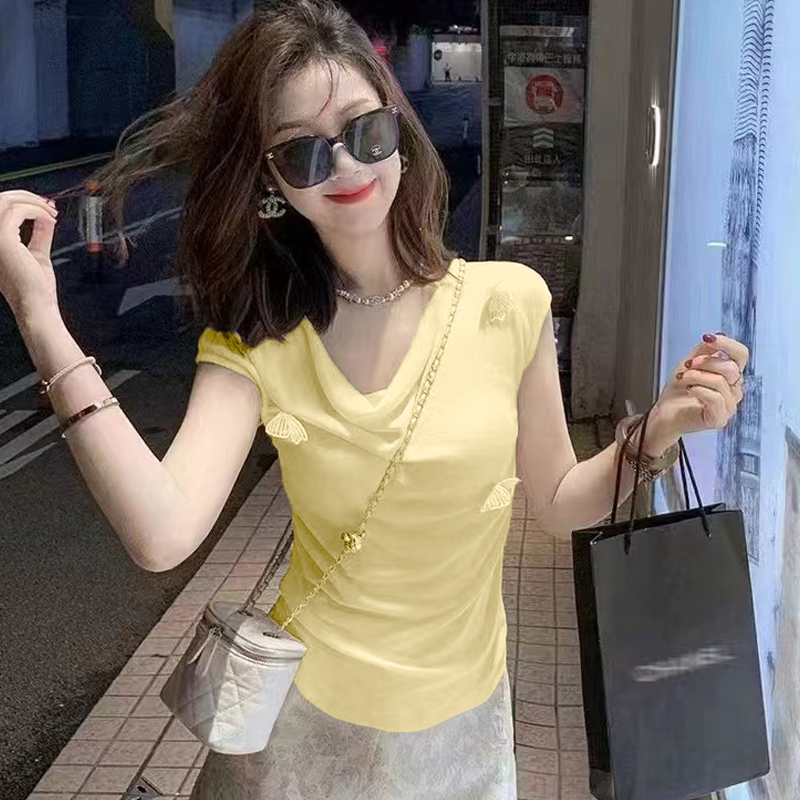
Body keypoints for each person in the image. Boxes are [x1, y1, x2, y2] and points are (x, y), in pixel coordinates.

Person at [0, 0, 748, 798]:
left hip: (465, 734)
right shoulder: (261, 340)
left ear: (399, 126)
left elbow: (561, 502)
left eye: (365, 131)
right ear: (271, 180)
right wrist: (40, 318)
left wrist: (658, 430)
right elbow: (162, 533)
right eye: (302, 153)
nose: (347, 167)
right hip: (301, 738)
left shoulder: (509, 302)